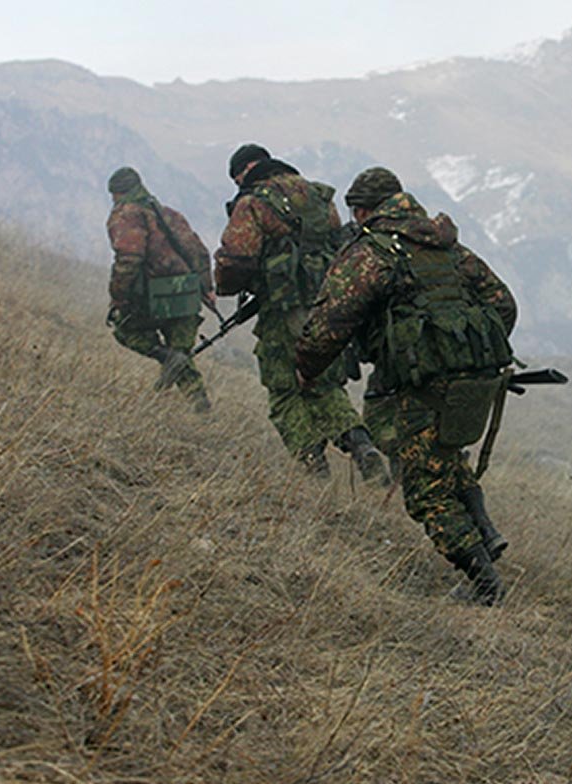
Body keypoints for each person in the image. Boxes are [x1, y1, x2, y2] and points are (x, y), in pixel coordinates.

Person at [295, 167, 517, 606]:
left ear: (362, 210)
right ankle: (485, 533)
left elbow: (329, 323)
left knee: (424, 490)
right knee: (446, 457)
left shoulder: (373, 252)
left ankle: (484, 586)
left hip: (426, 384)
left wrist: (308, 367)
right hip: (477, 378)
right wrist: (466, 350)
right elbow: (502, 303)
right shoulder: (448, 247)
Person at [213, 143, 385, 481]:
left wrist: (230, 286)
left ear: (246, 171)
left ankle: (314, 469)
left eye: (237, 179)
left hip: (283, 310)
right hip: (329, 307)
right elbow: (340, 245)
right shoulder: (319, 197)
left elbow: (236, 257)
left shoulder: (253, 203)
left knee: (283, 390)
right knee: (324, 385)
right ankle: (361, 445)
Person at [105, 166, 213, 412]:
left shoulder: (127, 214)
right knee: (181, 353)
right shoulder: (168, 214)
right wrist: (207, 288)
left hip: (154, 294)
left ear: (117, 193)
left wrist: (118, 297)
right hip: (186, 292)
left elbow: (129, 258)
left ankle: (165, 359)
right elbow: (197, 251)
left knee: (125, 332)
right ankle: (200, 408)